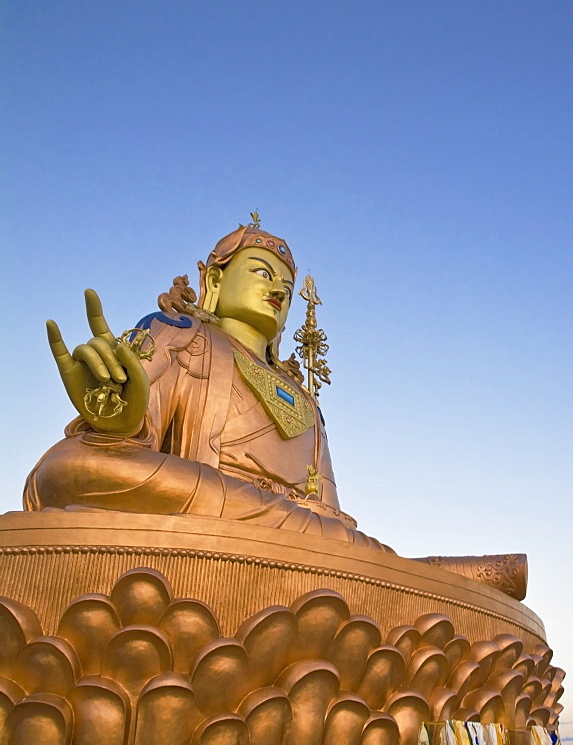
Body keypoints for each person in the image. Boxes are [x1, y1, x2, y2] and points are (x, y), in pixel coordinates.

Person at [24, 220, 388, 550]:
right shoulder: (179, 334)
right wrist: (118, 423)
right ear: (215, 281)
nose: (278, 289)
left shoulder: (307, 403)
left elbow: (330, 515)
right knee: (68, 467)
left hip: (295, 530)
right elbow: (124, 447)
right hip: (203, 502)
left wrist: (317, 527)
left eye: (288, 288)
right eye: (262, 273)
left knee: (350, 542)